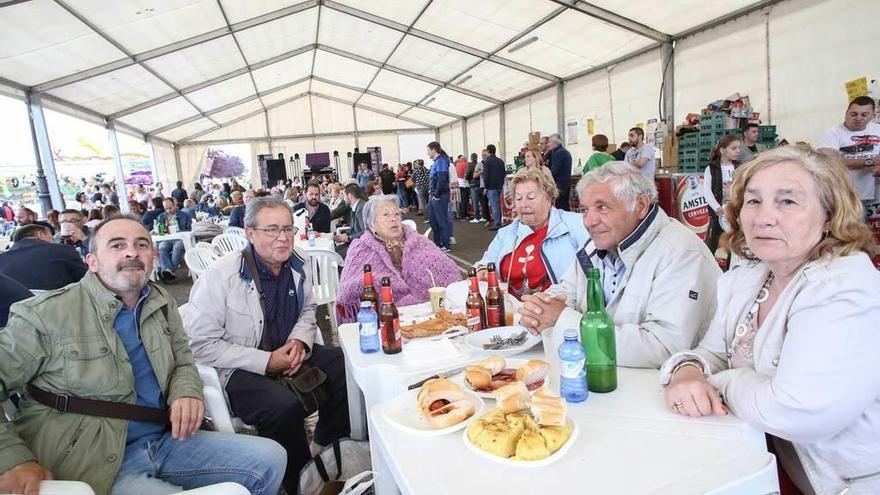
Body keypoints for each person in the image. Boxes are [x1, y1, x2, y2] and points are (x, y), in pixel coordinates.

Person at [0, 215, 286, 495]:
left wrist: (186, 392)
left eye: (141, 244)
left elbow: (184, 360)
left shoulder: (160, 302)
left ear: (152, 257)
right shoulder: (45, 314)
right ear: (92, 262)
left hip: (164, 440)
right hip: (92, 457)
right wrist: (13, 459)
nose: (131, 252)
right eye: (116, 245)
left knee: (270, 458)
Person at [660, 146, 880, 495]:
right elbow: (712, 353)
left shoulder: (843, 285)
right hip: (766, 464)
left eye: (787, 202)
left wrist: (720, 383)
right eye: (753, 201)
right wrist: (686, 370)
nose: (763, 217)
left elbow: (798, 411)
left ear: (828, 215)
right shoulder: (751, 276)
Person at [185, 196, 350, 493]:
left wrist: (299, 340)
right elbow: (199, 344)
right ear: (249, 232)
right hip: (238, 367)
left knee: (343, 365)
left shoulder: (297, 263)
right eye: (271, 229)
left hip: (288, 352)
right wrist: (265, 361)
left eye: (287, 228)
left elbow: (309, 310)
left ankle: (324, 444)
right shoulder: (221, 276)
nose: (283, 237)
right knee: (282, 407)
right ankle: (302, 482)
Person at [519, 162, 721, 369]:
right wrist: (540, 308)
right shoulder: (597, 245)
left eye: (602, 207)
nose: (589, 221)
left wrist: (564, 322)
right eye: (585, 210)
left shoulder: (680, 253)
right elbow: (568, 290)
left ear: (640, 206)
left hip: (666, 390)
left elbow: (664, 347)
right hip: (609, 378)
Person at [337, 196, 460, 317]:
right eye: (386, 215)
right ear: (372, 224)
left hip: (430, 311)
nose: (393, 219)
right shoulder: (360, 249)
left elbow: (448, 271)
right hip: (384, 317)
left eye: (396, 214)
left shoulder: (419, 242)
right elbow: (348, 290)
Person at [474, 168, 588, 300]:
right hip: (512, 311)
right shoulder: (507, 233)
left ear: (549, 198)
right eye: (518, 198)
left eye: (531, 197)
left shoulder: (577, 225)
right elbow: (488, 260)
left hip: (555, 308)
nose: (523, 204)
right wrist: (482, 269)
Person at [817, 95, 880, 208]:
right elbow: (829, 161)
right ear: (846, 112)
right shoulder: (833, 133)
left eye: (864, 115)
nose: (859, 118)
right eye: (854, 114)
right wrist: (870, 161)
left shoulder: (877, 130)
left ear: (873, 115)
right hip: (846, 194)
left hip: (876, 193)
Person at [0, 224, 87, 290]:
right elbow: (85, 280)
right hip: (60, 307)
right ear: (40, 234)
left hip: (15, 311)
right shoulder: (61, 250)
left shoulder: (2, 259)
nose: (53, 242)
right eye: (51, 238)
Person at [703, 135, 742, 254]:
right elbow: (707, 191)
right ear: (722, 150)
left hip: (735, 213)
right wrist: (717, 208)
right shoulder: (711, 168)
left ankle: (732, 267)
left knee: (735, 244)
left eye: (739, 148)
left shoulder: (740, 167)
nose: (738, 151)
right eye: (734, 148)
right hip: (718, 213)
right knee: (711, 243)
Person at [155, 198, 192, 282]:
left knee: (177, 246)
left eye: (170, 208)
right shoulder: (161, 217)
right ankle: (168, 271)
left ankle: (168, 270)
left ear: (175, 205)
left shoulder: (184, 216)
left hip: (180, 238)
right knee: (162, 247)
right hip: (167, 238)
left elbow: (189, 229)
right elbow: (159, 231)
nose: (168, 210)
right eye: (166, 208)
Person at [427, 141, 453, 251]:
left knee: (441, 219)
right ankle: (437, 243)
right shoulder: (437, 162)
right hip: (434, 194)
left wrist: (437, 194)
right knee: (433, 220)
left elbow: (442, 178)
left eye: (428, 150)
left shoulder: (441, 161)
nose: (427, 153)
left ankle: (445, 243)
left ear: (433, 150)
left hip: (439, 195)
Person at [334, 183, 367, 258]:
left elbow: (365, 233)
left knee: (336, 255)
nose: (343, 198)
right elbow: (354, 229)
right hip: (356, 242)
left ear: (350, 196)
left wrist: (348, 238)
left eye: (344, 195)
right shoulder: (357, 207)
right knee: (334, 251)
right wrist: (345, 235)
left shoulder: (361, 209)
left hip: (362, 246)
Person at [482, 144, 506, 231]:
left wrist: (485, 187)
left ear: (488, 151)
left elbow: (486, 176)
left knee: (494, 205)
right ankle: (499, 221)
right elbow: (504, 173)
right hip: (500, 186)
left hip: (491, 187)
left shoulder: (487, 162)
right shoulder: (500, 161)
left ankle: (497, 223)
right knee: (499, 205)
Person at [546, 134, 573, 211]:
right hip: (564, 185)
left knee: (561, 208)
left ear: (555, 142)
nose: (548, 144)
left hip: (560, 186)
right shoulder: (559, 152)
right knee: (564, 206)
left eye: (549, 142)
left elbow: (554, 171)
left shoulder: (559, 153)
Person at [467, 153, 484, 223]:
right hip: (480, 184)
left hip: (473, 185)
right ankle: (483, 216)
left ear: (471, 158)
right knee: (482, 202)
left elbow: (467, 175)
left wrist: (468, 178)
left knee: (475, 202)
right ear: (477, 157)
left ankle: (476, 217)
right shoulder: (480, 164)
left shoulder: (470, 165)